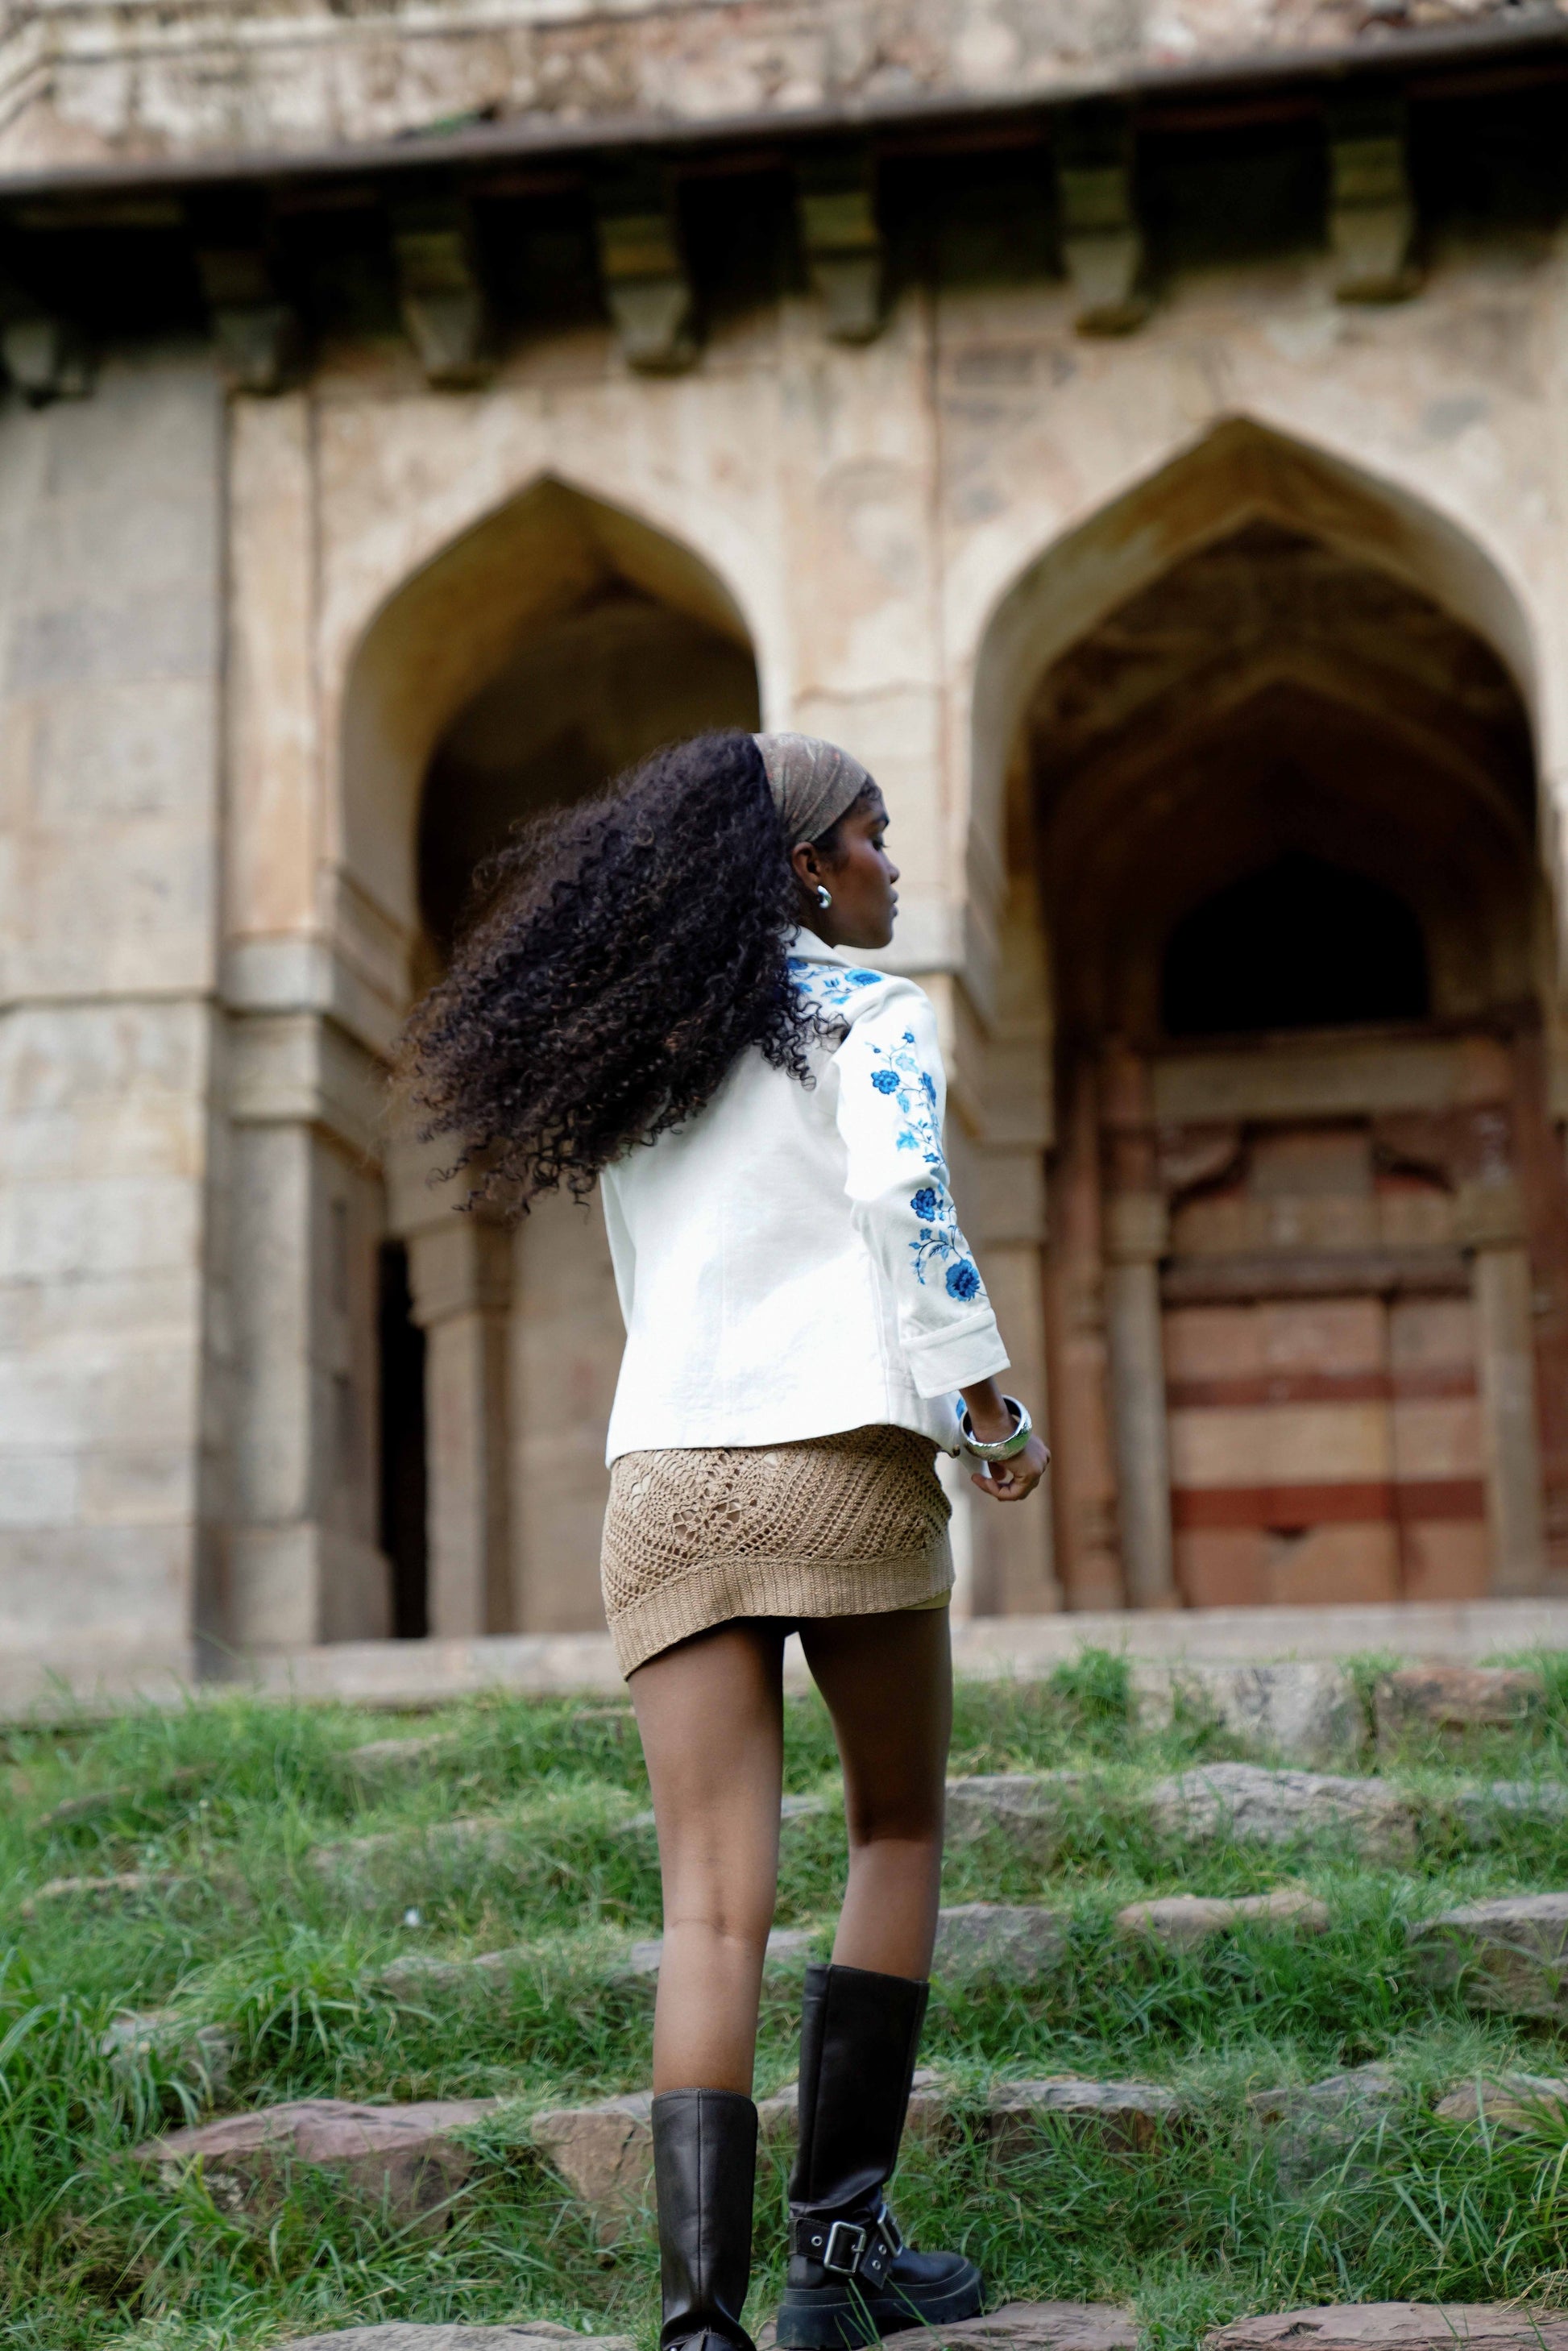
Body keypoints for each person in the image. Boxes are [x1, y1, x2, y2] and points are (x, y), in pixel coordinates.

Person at [400, 729, 1049, 2351]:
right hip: (837, 1450)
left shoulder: (641, 1049)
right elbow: (909, 1202)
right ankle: (840, 2257)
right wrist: (988, 1407)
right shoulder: (868, 1012)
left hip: (663, 1476)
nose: (893, 865)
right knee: (894, 1829)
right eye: (872, 837)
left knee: (708, 1904)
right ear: (802, 865)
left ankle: (700, 2326)